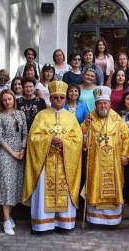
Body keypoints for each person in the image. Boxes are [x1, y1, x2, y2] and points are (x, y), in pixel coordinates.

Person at [23, 81, 83, 234]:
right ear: (51, 97)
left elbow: (78, 140)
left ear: (65, 98)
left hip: (64, 162)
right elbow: (33, 138)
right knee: (44, 190)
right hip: (45, 162)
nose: (58, 100)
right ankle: (43, 224)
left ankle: (64, 224)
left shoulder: (71, 118)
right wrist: (49, 140)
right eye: (55, 97)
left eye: (61, 97)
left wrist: (64, 143)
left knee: (65, 190)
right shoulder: (41, 116)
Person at [81, 86, 129, 225]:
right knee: (95, 186)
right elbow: (82, 140)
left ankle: (112, 219)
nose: (102, 106)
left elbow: (126, 138)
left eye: (105, 102)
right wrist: (86, 128)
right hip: (95, 162)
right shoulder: (90, 118)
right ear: (96, 104)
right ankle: (95, 217)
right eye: (99, 103)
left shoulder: (117, 119)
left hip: (114, 162)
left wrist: (125, 155)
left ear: (109, 103)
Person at [0, 89, 27, 236]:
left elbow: (25, 133)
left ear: (14, 99)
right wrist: (12, 152)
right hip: (6, 152)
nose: (7, 102)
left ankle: (8, 216)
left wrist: (23, 149)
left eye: (10, 99)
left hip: (20, 151)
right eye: (4, 99)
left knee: (15, 185)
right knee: (6, 184)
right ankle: (6, 220)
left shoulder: (21, 114)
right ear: (1, 101)